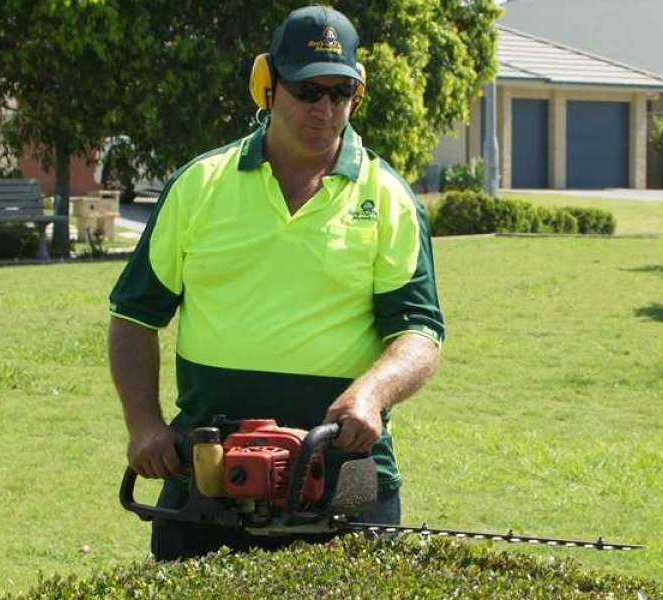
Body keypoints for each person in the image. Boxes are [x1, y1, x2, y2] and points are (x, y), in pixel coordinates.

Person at [107, 5, 444, 561]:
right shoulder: (200, 187)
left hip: (344, 482)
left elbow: (420, 334)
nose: (325, 108)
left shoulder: (387, 199)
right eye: (308, 90)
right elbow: (134, 316)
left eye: (341, 92)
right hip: (208, 478)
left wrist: (371, 393)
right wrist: (143, 425)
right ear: (267, 86)